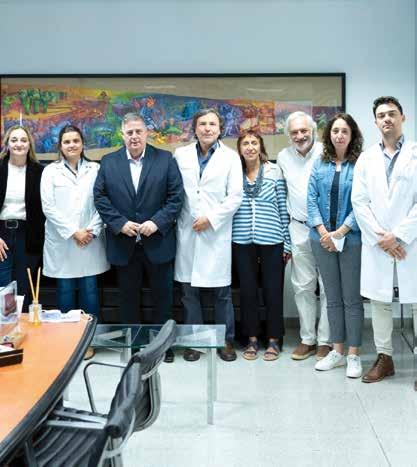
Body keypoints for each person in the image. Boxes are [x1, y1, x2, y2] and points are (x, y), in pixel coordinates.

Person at [94, 113, 183, 363]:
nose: (134, 136)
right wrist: (119, 224)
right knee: (128, 299)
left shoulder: (165, 159)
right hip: (124, 244)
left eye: (138, 131)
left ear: (147, 133)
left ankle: (161, 347)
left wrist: (157, 222)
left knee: (163, 298)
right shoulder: (109, 162)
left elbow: (176, 197)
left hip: (158, 242)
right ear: (122, 135)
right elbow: (100, 197)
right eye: (130, 132)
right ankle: (133, 347)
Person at [352, 96, 417, 383]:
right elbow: (359, 202)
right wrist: (382, 238)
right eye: (381, 115)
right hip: (378, 242)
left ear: (403, 117)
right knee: (380, 300)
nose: (387, 119)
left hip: (410, 241)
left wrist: (399, 235)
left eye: (392, 113)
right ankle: (385, 358)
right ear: (376, 122)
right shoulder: (366, 158)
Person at [174, 108, 243, 362]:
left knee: (221, 293)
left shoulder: (230, 157)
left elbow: (235, 196)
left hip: (216, 232)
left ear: (220, 129)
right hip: (188, 230)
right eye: (202, 124)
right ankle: (194, 341)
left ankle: (225, 340)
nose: (207, 128)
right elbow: (174, 190)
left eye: (212, 124)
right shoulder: (180, 155)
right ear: (195, 128)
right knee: (189, 292)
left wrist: (211, 219)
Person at [307, 113, 364, 378]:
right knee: (332, 297)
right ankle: (337, 351)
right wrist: (323, 232)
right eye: (335, 131)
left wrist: (340, 232)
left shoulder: (361, 164)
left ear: (352, 136)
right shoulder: (319, 163)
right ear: (329, 134)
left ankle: (353, 355)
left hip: (351, 239)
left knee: (351, 298)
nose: (339, 135)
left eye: (344, 131)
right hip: (321, 240)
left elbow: (364, 201)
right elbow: (311, 199)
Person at [41, 125, 109, 331]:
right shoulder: (50, 171)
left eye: (75, 141)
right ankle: (66, 339)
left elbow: (104, 202)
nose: (72, 145)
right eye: (67, 142)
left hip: (90, 239)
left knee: (90, 289)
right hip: (64, 241)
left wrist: (91, 231)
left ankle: (91, 336)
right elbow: (48, 207)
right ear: (60, 146)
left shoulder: (95, 169)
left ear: (82, 144)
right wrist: (73, 232)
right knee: (65, 289)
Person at [232, 131, 291, 361]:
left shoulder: (274, 171)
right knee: (247, 292)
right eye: (245, 144)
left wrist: (287, 244)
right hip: (241, 241)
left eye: (254, 143)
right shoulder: (234, 172)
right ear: (239, 149)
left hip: (272, 240)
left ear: (260, 146)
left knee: (273, 291)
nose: (250, 147)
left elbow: (283, 208)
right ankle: (252, 339)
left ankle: (274, 339)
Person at [277, 111, 331, 361]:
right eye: (294, 132)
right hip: (298, 227)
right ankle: (307, 339)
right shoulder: (283, 157)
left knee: (328, 286)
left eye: (304, 131)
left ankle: (325, 341)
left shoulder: (326, 152)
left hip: (326, 229)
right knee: (302, 286)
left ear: (313, 131)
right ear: (289, 135)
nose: (299, 136)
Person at [0, 125, 44, 311]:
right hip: (2, 235)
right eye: (14, 140)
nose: (19, 144)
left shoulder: (40, 171)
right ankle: (4, 328)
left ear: (29, 145)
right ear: (7, 144)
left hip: (28, 235)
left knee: (23, 287)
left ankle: (21, 327)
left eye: (23, 140)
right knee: (3, 287)